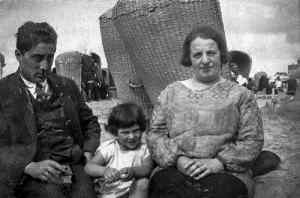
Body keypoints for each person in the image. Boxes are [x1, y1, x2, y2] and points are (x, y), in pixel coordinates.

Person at [147, 26, 264, 198]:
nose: (205, 60)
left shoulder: (241, 95)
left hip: (225, 172)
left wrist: (218, 162)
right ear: (189, 59)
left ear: (221, 55)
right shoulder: (170, 93)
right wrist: (179, 160)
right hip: (176, 169)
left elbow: (252, 139)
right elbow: (154, 135)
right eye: (197, 55)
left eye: (211, 53)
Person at [0, 21, 100, 198]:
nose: (45, 66)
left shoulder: (67, 86)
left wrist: (88, 152)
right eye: (37, 58)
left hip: (75, 167)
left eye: (50, 57)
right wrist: (28, 166)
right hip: (31, 174)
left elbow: (90, 122)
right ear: (18, 55)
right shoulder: (4, 92)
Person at [85, 102, 153, 198]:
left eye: (135, 131)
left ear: (142, 128)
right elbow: (89, 166)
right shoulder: (110, 148)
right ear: (115, 133)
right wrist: (104, 171)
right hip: (110, 194)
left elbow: (147, 168)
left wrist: (133, 171)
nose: (131, 136)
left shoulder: (144, 149)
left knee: (143, 183)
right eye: (125, 133)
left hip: (132, 193)